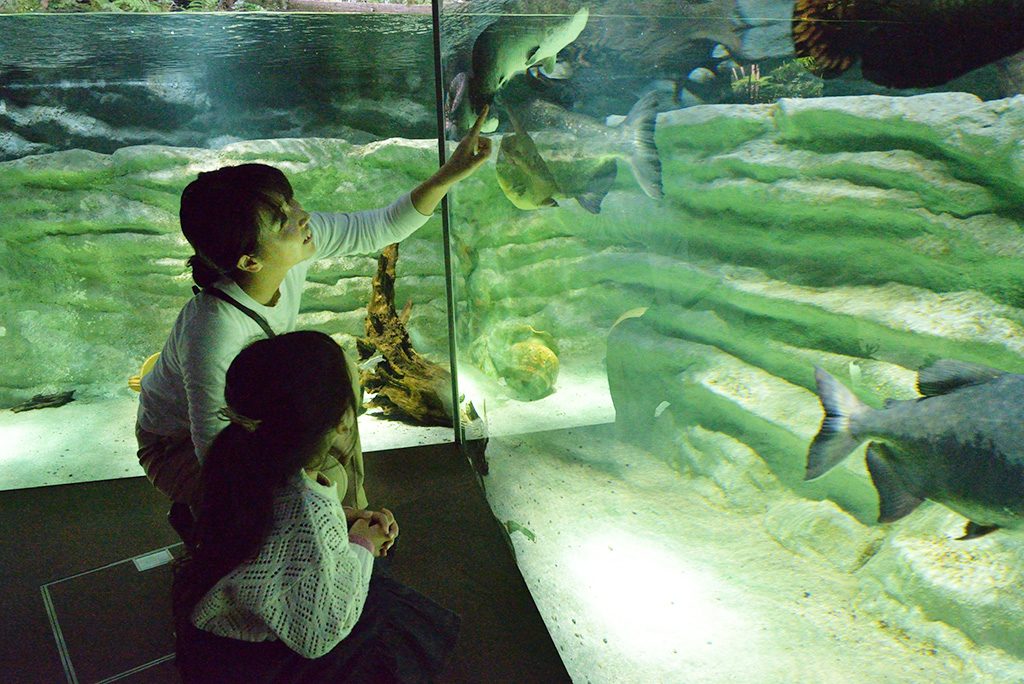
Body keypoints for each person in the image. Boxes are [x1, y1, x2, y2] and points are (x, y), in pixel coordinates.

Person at [136, 108, 492, 516]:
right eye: (281, 217)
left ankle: (354, 524)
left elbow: (381, 226)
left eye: (289, 201)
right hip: (178, 446)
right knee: (308, 492)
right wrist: (300, 491)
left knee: (335, 396)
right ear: (249, 261)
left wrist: (451, 172)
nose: (301, 216)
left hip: (247, 419)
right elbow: (216, 450)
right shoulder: (213, 329)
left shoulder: (292, 248)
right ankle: (223, 539)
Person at [172, 330, 459, 683]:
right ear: (341, 421)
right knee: (394, 619)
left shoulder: (238, 460)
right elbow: (322, 630)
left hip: (213, 645)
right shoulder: (310, 508)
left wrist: (343, 520)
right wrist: (362, 543)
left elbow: (278, 534)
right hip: (266, 663)